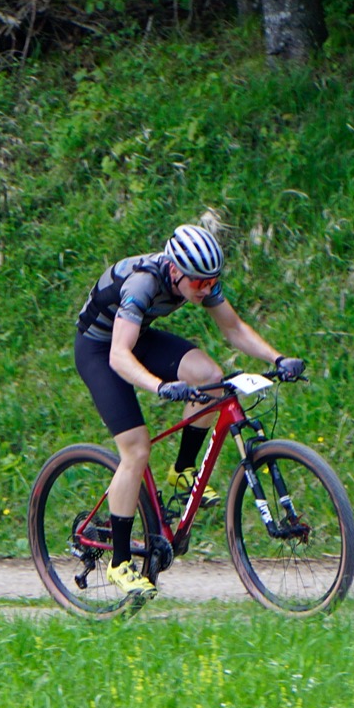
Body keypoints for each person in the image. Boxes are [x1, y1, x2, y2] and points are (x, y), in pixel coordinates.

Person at [74, 223, 305, 598]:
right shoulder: (142, 283)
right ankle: (119, 561)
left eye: (212, 282)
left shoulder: (198, 280)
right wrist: (160, 386)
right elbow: (118, 355)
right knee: (136, 449)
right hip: (99, 349)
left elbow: (234, 328)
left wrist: (278, 358)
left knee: (210, 378)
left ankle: (182, 471)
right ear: (175, 270)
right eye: (199, 282)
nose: (206, 289)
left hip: (136, 336)